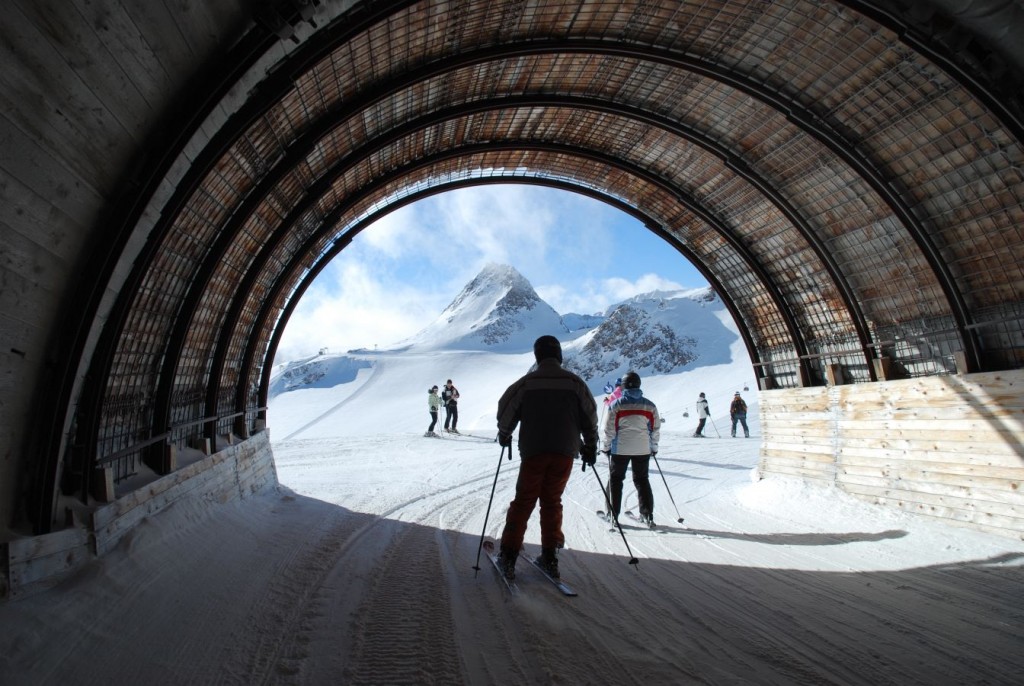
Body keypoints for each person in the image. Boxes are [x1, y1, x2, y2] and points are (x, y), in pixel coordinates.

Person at [495, 335, 598, 580]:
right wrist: (590, 446)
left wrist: (505, 434)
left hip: (534, 451)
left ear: (538, 356)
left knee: (524, 501)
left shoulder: (527, 383)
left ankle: (508, 557)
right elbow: (590, 417)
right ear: (559, 355)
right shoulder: (575, 383)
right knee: (552, 501)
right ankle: (550, 558)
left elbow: (506, 410)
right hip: (565, 453)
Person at [600, 371, 661, 526]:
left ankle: (612, 515)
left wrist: (606, 447)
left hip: (620, 449)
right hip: (643, 449)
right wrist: (653, 447)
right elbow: (655, 429)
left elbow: (609, 429)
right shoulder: (650, 405)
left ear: (624, 386)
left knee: (615, 480)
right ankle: (647, 515)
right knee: (642, 479)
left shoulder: (616, 405)